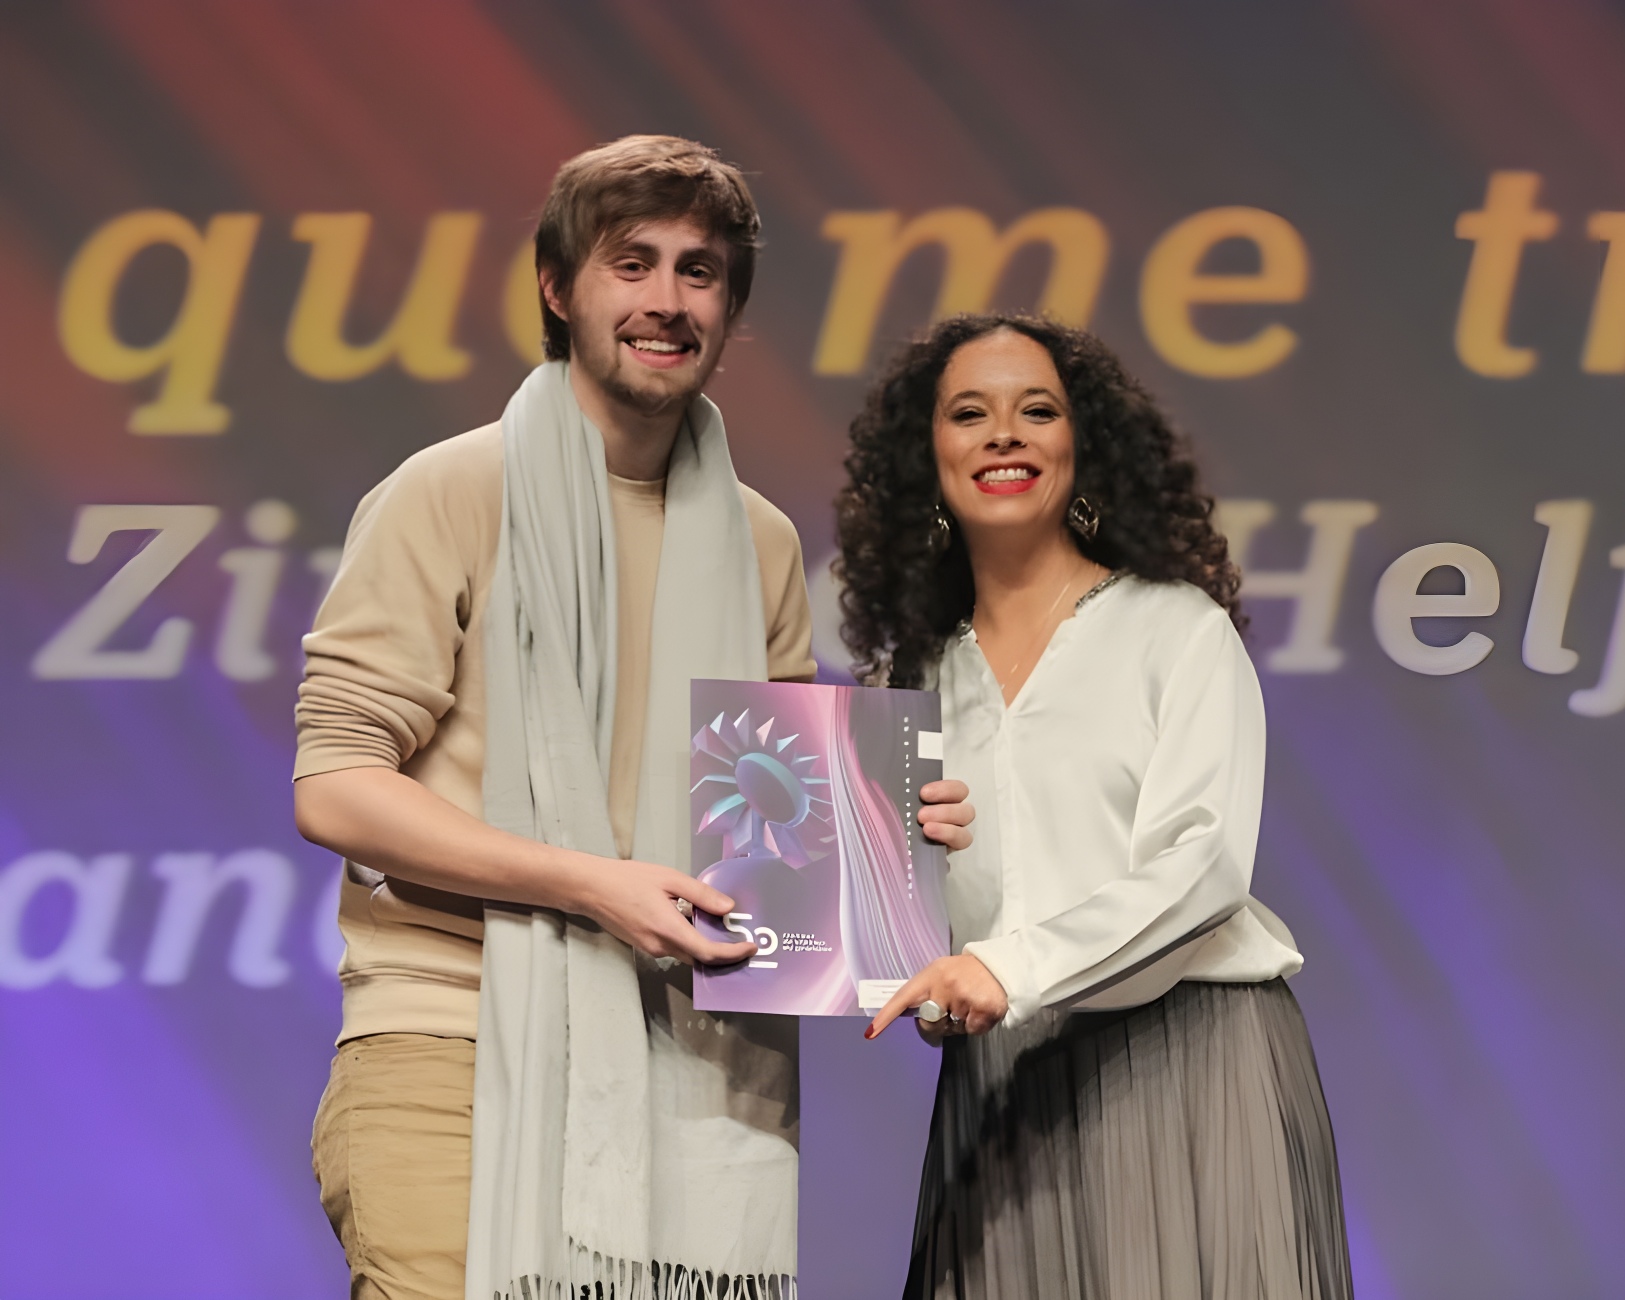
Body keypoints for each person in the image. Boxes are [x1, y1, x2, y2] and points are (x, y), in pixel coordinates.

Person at [292, 135, 974, 1300]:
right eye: (631, 263)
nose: (666, 300)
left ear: (729, 308)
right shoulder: (449, 490)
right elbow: (337, 787)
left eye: (698, 271)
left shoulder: (759, 539)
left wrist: (883, 839)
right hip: (455, 1039)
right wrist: (590, 884)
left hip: (692, 1069)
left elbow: (767, 847)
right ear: (558, 289)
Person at [840, 314, 1351, 1300]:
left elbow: (1203, 867)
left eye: (1037, 410)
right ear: (925, 456)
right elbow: (934, 935)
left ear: (1083, 447)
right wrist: (922, 966)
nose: (1004, 433)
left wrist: (1004, 967)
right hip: (1006, 1096)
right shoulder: (918, 678)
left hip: (1188, 1070)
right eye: (968, 413)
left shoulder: (1175, 629)